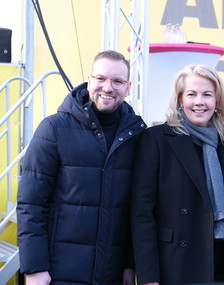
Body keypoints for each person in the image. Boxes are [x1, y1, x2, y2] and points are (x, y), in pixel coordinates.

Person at [16, 50, 146, 285]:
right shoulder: (53, 129)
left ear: (127, 88)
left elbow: (135, 211)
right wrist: (35, 267)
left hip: (112, 275)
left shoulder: (137, 135)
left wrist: (130, 263)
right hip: (58, 273)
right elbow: (31, 204)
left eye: (117, 81)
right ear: (89, 81)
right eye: (101, 79)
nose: (108, 87)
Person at [131, 64, 224, 285]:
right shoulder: (156, 139)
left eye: (207, 94)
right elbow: (141, 212)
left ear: (217, 100)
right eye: (191, 94)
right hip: (173, 263)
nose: (199, 102)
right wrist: (147, 275)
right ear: (180, 99)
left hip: (218, 258)